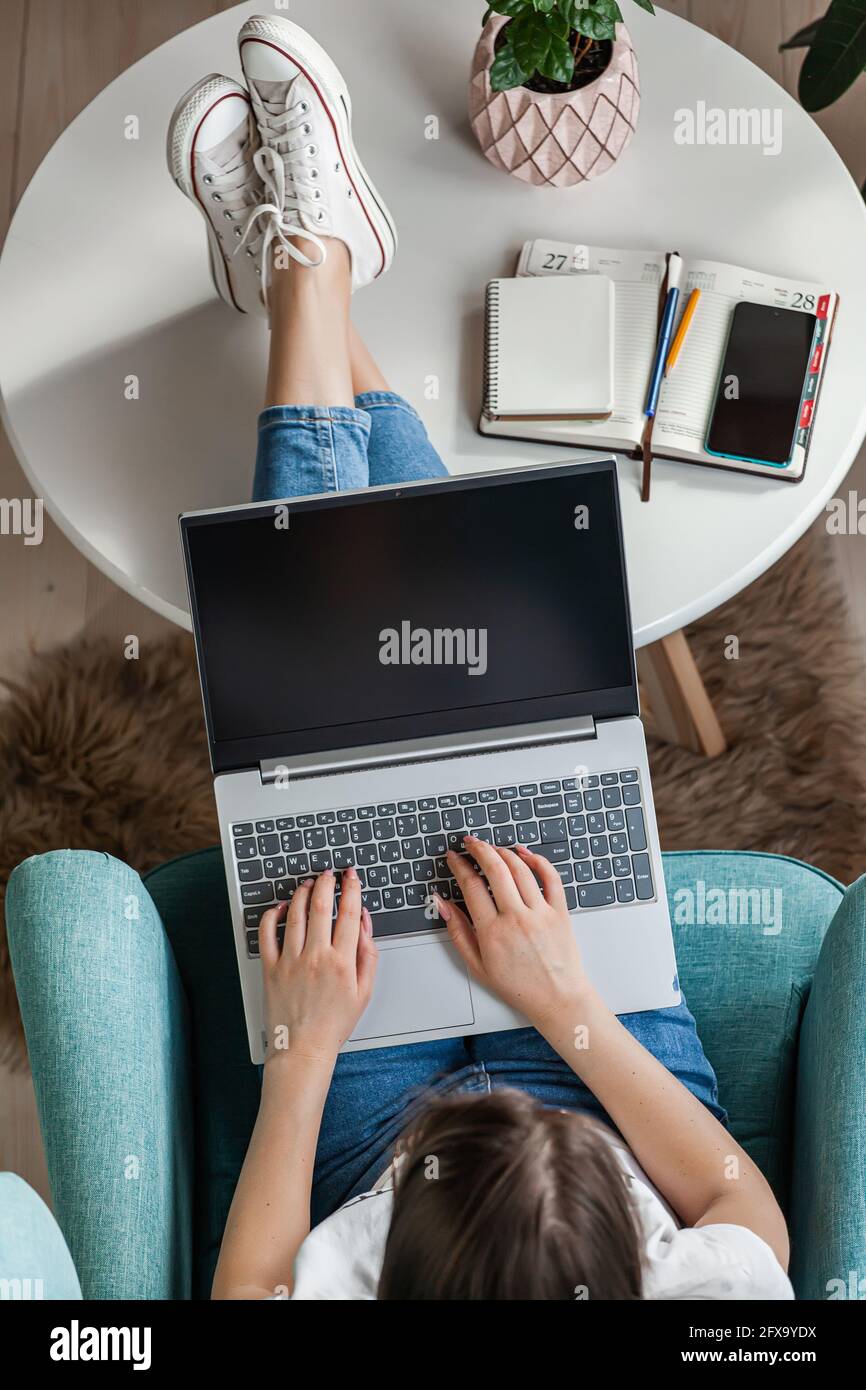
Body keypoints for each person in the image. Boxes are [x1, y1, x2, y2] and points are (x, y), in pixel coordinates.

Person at [168, 14, 792, 1302]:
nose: (490, 1098)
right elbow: (746, 1216)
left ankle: (309, 270)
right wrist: (564, 1006)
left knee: (328, 710)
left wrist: (297, 1062)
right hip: (600, 1058)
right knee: (487, 697)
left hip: (365, 1120)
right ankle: (311, 271)